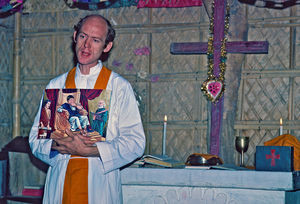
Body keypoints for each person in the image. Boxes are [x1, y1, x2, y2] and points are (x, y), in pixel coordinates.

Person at [29, 14, 145, 204]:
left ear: (107, 46)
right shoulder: (55, 85)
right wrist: (58, 145)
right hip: (61, 180)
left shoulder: (119, 87)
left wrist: (91, 150)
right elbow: (35, 139)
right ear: (75, 36)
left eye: (96, 40)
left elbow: (135, 142)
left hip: (99, 185)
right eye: (83, 36)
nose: (86, 46)